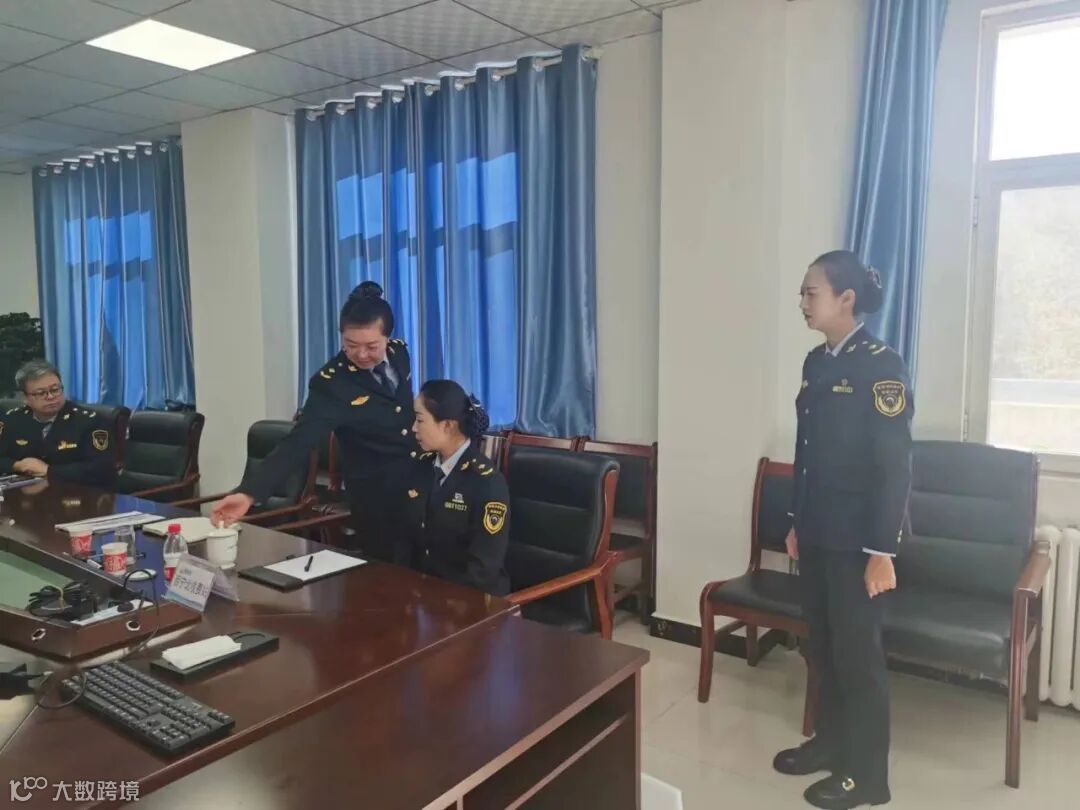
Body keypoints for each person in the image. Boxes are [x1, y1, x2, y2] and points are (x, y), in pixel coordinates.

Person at [773, 250, 913, 810]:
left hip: (859, 544)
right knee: (824, 649)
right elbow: (807, 453)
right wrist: (796, 522)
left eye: (811, 293)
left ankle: (867, 776)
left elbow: (895, 465)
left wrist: (882, 551)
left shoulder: (882, 365)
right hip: (818, 534)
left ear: (845, 299)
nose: (803, 302)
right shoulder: (817, 363)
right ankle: (829, 743)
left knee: (859, 661)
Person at [211, 282, 418, 560]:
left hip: (418, 484)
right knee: (388, 575)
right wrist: (249, 493)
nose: (361, 354)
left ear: (388, 338)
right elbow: (296, 443)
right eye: (350, 345)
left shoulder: (400, 354)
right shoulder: (331, 384)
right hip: (377, 498)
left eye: (372, 346)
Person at [393, 380, 509, 595]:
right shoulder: (421, 467)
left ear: (448, 425)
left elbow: (483, 571)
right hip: (422, 593)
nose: (413, 428)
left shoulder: (485, 482)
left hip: (468, 599)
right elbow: (405, 541)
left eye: (420, 420)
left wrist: (440, 601)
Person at [0, 360, 117, 488]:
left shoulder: (90, 421)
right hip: (23, 493)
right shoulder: (12, 419)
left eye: (55, 390)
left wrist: (48, 471)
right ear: (25, 397)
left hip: (76, 493)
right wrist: (17, 466)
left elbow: (103, 469)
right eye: (41, 393)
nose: (50, 397)